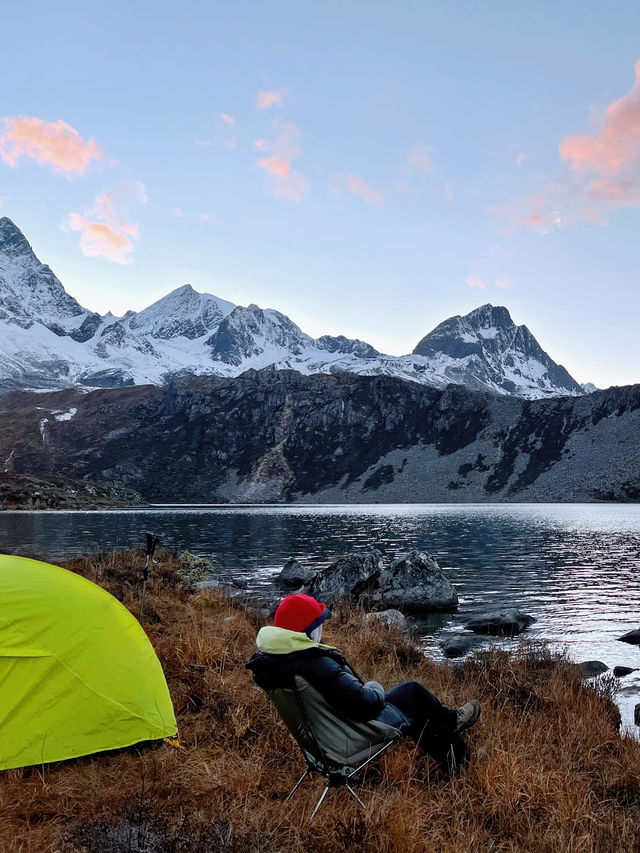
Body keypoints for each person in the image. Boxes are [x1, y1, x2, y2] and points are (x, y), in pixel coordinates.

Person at [246, 593, 481, 776]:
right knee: (413, 695)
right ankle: (461, 755)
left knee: (413, 701)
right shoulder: (313, 664)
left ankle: (453, 736)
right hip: (350, 736)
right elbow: (366, 705)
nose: (322, 628)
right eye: (318, 623)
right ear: (307, 630)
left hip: (322, 741)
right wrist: (374, 686)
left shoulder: (274, 663)